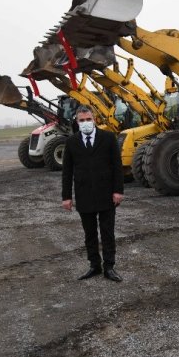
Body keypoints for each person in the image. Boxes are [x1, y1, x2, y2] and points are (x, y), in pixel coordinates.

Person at [61, 106, 124, 282]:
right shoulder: (71, 142)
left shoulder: (108, 138)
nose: (85, 123)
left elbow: (117, 167)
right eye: (82, 120)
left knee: (107, 232)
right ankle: (94, 265)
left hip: (106, 193)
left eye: (88, 119)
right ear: (77, 122)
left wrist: (118, 191)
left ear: (94, 119)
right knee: (89, 234)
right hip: (84, 194)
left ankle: (109, 267)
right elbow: (67, 171)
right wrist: (66, 197)